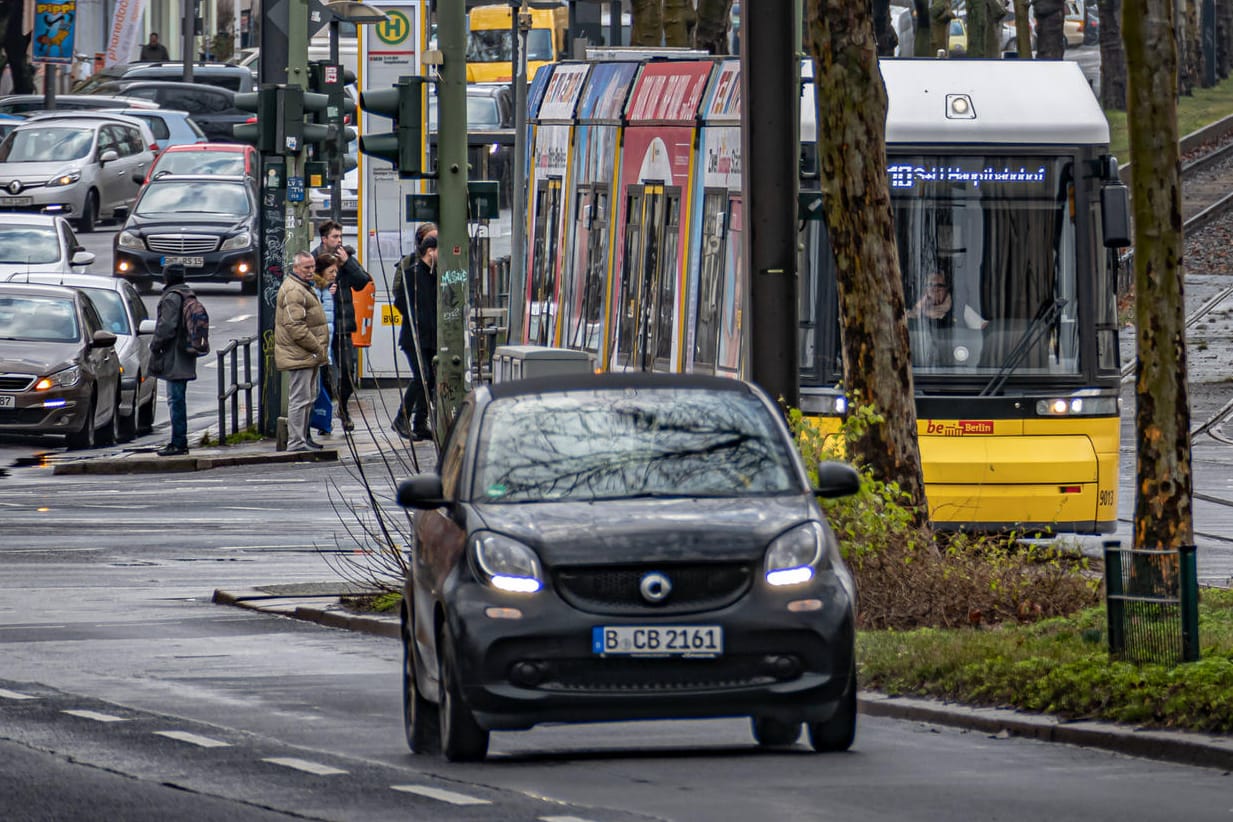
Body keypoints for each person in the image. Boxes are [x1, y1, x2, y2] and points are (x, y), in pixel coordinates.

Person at [312, 220, 373, 432]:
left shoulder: (345, 259)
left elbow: (362, 281)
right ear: (324, 239)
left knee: (348, 370)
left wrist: (347, 263)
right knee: (325, 373)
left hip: (344, 324)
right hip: (322, 326)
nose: (339, 241)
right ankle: (325, 415)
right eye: (335, 237)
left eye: (340, 237)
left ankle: (343, 407)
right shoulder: (315, 259)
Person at [275, 251, 330, 453]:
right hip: (300, 354)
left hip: (307, 354)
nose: (311, 271)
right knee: (300, 399)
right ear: (296, 268)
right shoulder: (294, 290)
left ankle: (301, 439)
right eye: (306, 267)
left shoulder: (303, 287)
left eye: (312, 266)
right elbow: (294, 325)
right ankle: (296, 442)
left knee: (308, 398)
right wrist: (316, 346)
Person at [392, 223, 437, 441]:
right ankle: (402, 417)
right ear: (430, 251)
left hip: (431, 337)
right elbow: (400, 301)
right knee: (422, 377)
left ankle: (420, 422)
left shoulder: (436, 275)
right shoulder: (412, 273)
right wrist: (417, 319)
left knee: (430, 379)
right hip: (414, 337)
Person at [148, 265, 197, 456]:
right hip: (185, 353)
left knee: (175, 400)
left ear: (166, 278)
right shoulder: (187, 294)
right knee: (178, 398)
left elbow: (167, 326)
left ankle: (178, 442)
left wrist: (155, 344)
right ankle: (179, 441)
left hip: (174, 355)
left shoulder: (171, 297)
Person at [311, 253, 339, 437]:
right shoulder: (319, 290)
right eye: (331, 271)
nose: (334, 274)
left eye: (336, 271)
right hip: (319, 348)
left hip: (325, 347)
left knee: (323, 387)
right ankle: (322, 422)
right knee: (318, 388)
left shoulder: (327, 289)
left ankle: (324, 422)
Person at [910, 273, 987, 329]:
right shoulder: (916, 309)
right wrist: (917, 309)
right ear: (925, 289)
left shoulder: (960, 308)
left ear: (946, 289)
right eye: (930, 285)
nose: (935, 289)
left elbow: (983, 327)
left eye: (940, 286)